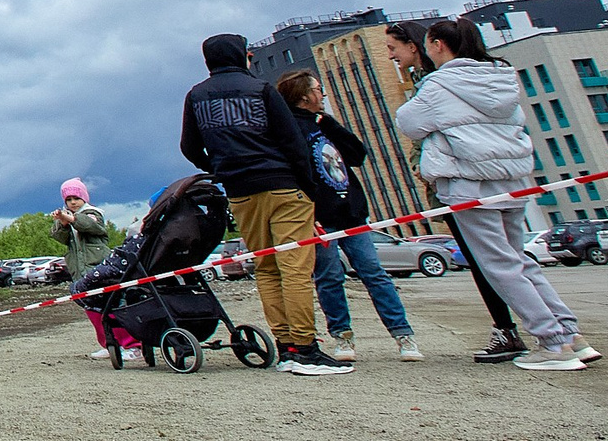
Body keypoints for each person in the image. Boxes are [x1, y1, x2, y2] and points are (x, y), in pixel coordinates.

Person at [393, 19, 591, 372]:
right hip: (512, 179)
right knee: (521, 259)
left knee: (500, 265)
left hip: (470, 183)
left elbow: (409, 123)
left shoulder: (440, 84)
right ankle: (571, 334)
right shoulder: (501, 77)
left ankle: (552, 342)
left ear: (438, 45)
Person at [179, 33, 351, 375]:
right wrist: (309, 186)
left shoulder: (196, 96)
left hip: (240, 191)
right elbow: (292, 141)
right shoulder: (260, 89)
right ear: (242, 55)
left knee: (267, 268)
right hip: (283, 186)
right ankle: (305, 348)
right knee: (296, 268)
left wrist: (218, 167)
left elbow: (188, 146)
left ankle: (286, 345)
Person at [384, 20, 528, 363]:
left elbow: (419, 125)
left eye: (393, 48)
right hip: (492, 175)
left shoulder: (438, 82)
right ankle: (542, 329)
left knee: (488, 258)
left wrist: (426, 159)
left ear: (416, 46)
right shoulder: (436, 80)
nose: (391, 56)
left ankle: (512, 329)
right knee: (499, 256)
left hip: (465, 177)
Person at [274, 70, 421, 362]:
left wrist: (329, 123)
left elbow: (357, 155)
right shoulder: (290, 129)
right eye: (318, 89)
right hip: (320, 217)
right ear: (304, 96)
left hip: (351, 213)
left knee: (374, 274)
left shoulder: (324, 124)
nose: (323, 94)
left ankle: (402, 334)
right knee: (329, 277)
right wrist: (308, 214)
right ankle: (342, 337)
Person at [53, 179, 136, 360]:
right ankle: (109, 344)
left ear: (84, 198)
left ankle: (133, 345)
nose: (73, 202)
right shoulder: (66, 216)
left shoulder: (93, 213)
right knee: (92, 310)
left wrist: (72, 219)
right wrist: (63, 223)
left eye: (76, 198)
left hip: (99, 269)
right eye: (69, 199)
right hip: (81, 272)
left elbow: (90, 226)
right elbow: (59, 237)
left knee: (113, 308)